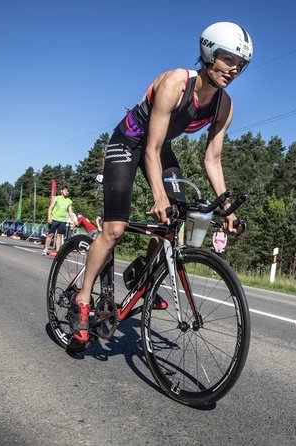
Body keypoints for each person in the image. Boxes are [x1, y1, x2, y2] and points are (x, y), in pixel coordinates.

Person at [68, 22, 252, 343]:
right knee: (115, 230)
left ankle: (145, 277)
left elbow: (212, 159)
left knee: (175, 220)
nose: (234, 69)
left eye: (241, 64)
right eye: (228, 59)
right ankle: (83, 299)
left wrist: (227, 209)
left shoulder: (225, 105)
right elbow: (150, 148)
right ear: (209, 53)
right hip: (128, 143)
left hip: (159, 147)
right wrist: (158, 196)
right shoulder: (175, 83)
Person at [42, 186, 77, 256]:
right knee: (50, 234)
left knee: (59, 236)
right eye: (65, 190)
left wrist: (73, 221)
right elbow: (51, 208)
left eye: (67, 191)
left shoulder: (69, 201)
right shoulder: (57, 198)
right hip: (54, 219)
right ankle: (46, 249)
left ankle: (58, 252)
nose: (66, 192)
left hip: (63, 220)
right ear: (61, 191)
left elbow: (70, 212)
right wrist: (49, 217)